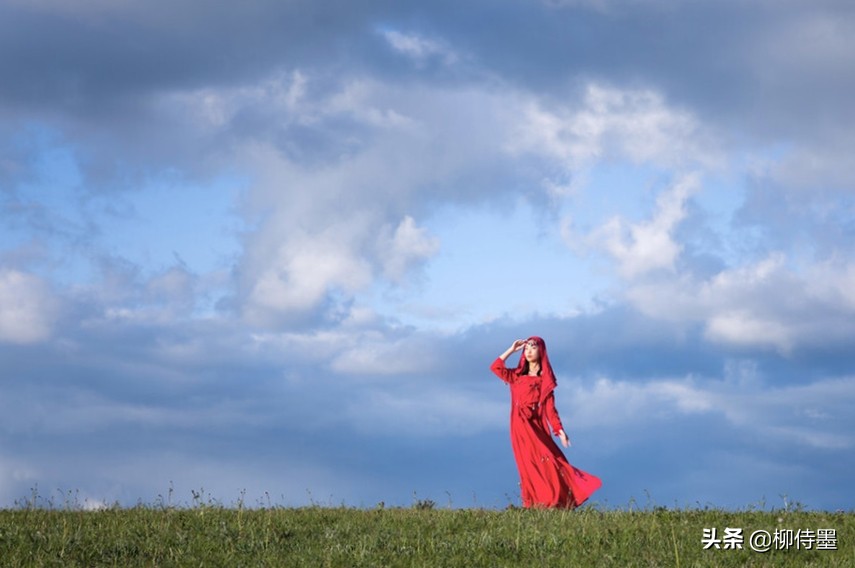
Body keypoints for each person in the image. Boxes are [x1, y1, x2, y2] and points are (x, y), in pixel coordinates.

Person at [491, 336, 602, 508]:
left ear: (541, 351)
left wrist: (559, 430)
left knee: (550, 460)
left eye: (533, 347)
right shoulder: (516, 376)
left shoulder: (544, 379)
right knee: (528, 466)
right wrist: (511, 350)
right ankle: (533, 504)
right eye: (526, 348)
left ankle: (556, 501)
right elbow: (495, 367)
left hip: (536, 427)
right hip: (519, 427)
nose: (528, 351)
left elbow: (550, 409)